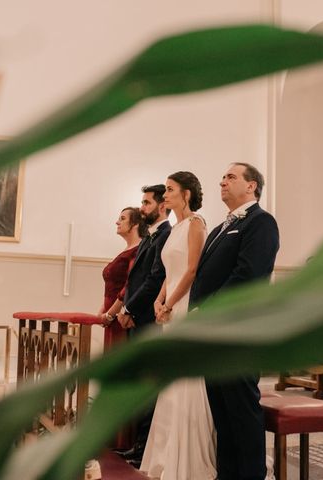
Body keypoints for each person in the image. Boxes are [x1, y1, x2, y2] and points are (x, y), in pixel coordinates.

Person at [190, 163, 279, 480]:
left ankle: (252, 475)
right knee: (222, 410)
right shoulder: (219, 228)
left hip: (239, 329)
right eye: (223, 176)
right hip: (212, 332)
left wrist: (209, 309)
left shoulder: (261, 222)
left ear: (252, 186)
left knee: (241, 409)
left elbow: (248, 275)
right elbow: (203, 279)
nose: (222, 181)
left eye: (231, 176)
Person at [140, 171, 215, 480]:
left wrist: (170, 304)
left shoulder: (196, 224)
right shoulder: (175, 228)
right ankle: (164, 456)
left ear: (186, 194)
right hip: (171, 305)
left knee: (186, 380)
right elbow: (170, 271)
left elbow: (194, 269)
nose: (166, 195)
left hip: (185, 308)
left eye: (170, 190)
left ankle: (187, 461)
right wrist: (159, 301)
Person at [117, 185, 172, 465]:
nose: (142, 207)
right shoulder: (152, 235)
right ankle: (138, 445)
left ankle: (144, 448)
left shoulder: (166, 234)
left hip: (149, 320)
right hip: (137, 317)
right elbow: (133, 280)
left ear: (162, 206)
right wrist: (126, 306)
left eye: (146, 202)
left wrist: (129, 308)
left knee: (149, 384)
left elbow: (154, 279)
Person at [97, 206, 146, 450]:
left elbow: (127, 288)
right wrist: (102, 309)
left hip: (119, 318)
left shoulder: (137, 251)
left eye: (123, 218)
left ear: (136, 224)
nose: (117, 221)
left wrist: (111, 313)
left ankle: (122, 437)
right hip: (110, 315)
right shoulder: (126, 250)